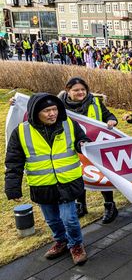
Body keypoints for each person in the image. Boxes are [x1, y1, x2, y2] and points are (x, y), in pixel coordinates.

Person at [5, 93, 91, 265]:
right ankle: (61, 241)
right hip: (42, 185)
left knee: (70, 219)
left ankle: (76, 244)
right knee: (52, 220)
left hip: (67, 182)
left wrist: (83, 144)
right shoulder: (21, 131)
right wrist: (12, 187)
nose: (52, 114)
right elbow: (14, 161)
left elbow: (82, 140)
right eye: (47, 110)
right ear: (36, 112)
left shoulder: (70, 124)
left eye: (55, 109)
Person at [57, 77, 119, 224]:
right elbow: (39, 110)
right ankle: (81, 205)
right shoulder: (58, 105)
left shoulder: (95, 101)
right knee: (78, 175)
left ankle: (110, 206)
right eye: (76, 90)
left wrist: (112, 120)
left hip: (93, 146)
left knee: (100, 174)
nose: (80, 92)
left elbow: (108, 115)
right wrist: (16, 103)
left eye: (83, 89)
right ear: (68, 91)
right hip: (71, 147)